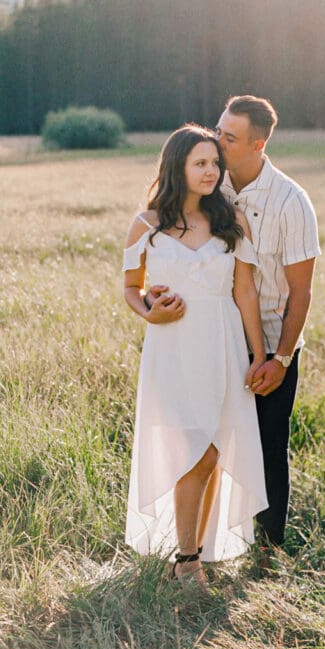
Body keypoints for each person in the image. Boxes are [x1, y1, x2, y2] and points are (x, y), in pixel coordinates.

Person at [149, 95, 320, 552]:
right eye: (219, 129)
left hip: (270, 344)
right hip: (211, 338)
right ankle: (194, 549)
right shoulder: (210, 185)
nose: (217, 140)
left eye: (228, 136)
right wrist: (151, 296)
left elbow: (300, 292)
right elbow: (167, 246)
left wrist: (279, 359)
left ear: (258, 143)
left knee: (265, 450)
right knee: (203, 447)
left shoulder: (291, 201)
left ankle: (268, 554)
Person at [122, 124, 268, 585]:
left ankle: (191, 556)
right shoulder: (146, 225)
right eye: (200, 163)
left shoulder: (231, 223)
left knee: (214, 453)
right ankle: (187, 563)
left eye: (214, 163)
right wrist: (151, 313)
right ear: (177, 167)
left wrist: (261, 356)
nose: (210, 171)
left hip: (223, 343)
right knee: (192, 449)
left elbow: (244, 292)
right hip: (173, 347)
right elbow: (131, 290)